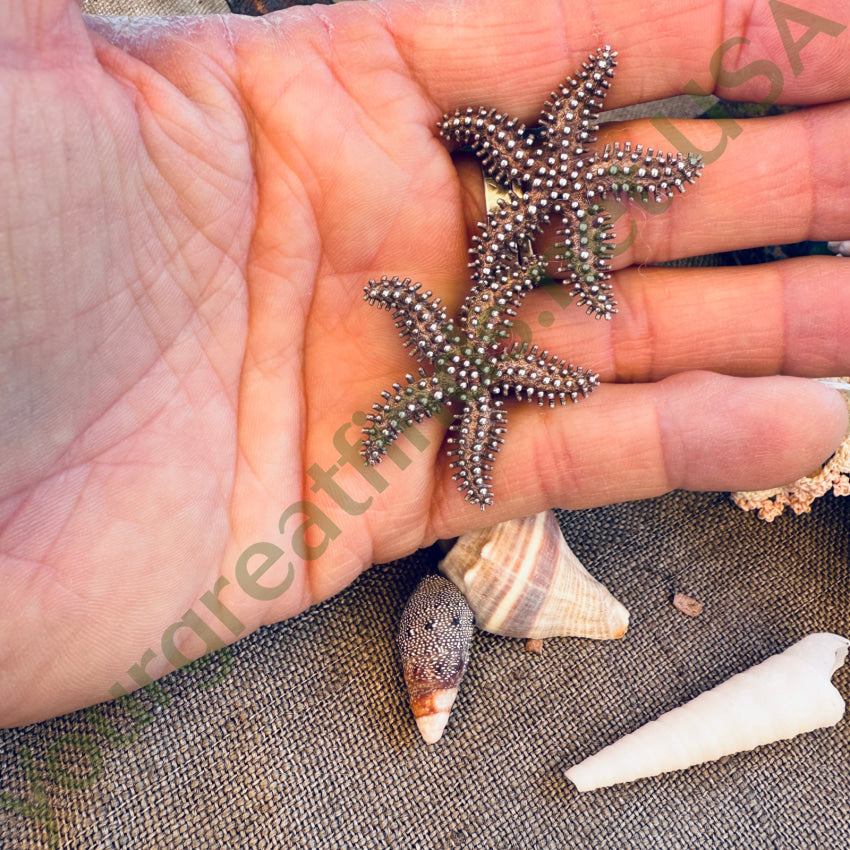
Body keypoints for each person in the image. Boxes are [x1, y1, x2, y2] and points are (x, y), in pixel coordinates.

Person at [1, 0, 848, 728]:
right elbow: (474, 276)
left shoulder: (498, 297)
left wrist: (555, 286)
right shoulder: (481, 311)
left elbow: (513, 266)